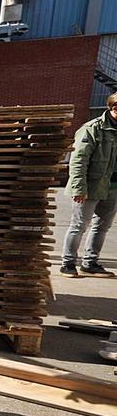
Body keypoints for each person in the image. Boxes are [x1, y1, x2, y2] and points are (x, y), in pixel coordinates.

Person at [60, 92, 117, 278]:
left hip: (113, 188)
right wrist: (79, 187)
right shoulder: (93, 128)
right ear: (114, 108)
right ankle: (68, 263)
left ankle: (90, 263)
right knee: (79, 225)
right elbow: (78, 161)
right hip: (91, 186)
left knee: (101, 227)